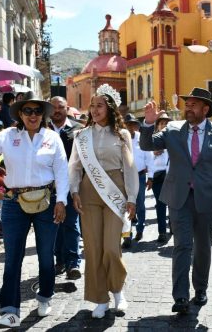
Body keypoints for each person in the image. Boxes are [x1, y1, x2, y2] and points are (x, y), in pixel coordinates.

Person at [140, 87, 212, 314]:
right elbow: (147, 145)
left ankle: (200, 288)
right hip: (178, 198)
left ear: (205, 109)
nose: (188, 108)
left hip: (207, 199)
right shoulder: (172, 130)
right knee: (182, 245)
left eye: (193, 104)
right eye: (187, 104)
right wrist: (148, 124)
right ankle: (180, 296)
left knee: (203, 246)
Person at [0, 91, 68, 328]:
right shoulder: (6, 136)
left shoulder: (52, 138)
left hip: (46, 202)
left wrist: (62, 201)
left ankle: (45, 295)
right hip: (14, 203)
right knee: (12, 258)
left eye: (37, 111)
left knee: (46, 257)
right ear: (20, 114)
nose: (33, 115)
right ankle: (9, 311)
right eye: (28, 111)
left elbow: (62, 171)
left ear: (43, 114)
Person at [68, 84, 139, 319]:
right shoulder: (81, 135)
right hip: (89, 192)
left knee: (111, 247)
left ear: (110, 109)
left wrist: (132, 198)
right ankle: (100, 298)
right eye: (92, 105)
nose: (95, 109)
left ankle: (118, 290)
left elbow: (129, 168)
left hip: (115, 190)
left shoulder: (122, 134)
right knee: (93, 248)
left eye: (100, 105)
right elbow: (75, 166)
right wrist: (74, 191)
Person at [50, 96, 83, 280]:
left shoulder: (79, 130)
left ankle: (73, 263)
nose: (56, 110)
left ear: (67, 108)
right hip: (48, 188)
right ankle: (59, 261)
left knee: (71, 223)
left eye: (60, 107)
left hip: (72, 186)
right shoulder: (42, 130)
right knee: (55, 225)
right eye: (53, 107)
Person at [121, 113, 152, 247]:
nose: (130, 127)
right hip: (123, 176)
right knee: (125, 205)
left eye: (133, 124)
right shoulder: (119, 138)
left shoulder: (141, 138)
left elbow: (149, 156)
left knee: (139, 203)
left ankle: (140, 228)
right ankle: (127, 235)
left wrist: (151, 176)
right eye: (128, 125)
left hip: (139, 175)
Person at [147, 113, 172, 243]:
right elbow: (146, 156)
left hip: (171, 175)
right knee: (160, 204)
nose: (164, 125)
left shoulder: (174, 138)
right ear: (157, 126)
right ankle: (162, 231)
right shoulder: (152, 139)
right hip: (157, 175)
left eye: (166, 123)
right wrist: (153, 152)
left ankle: (172, 225)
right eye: (161, 123)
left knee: (173, 203)